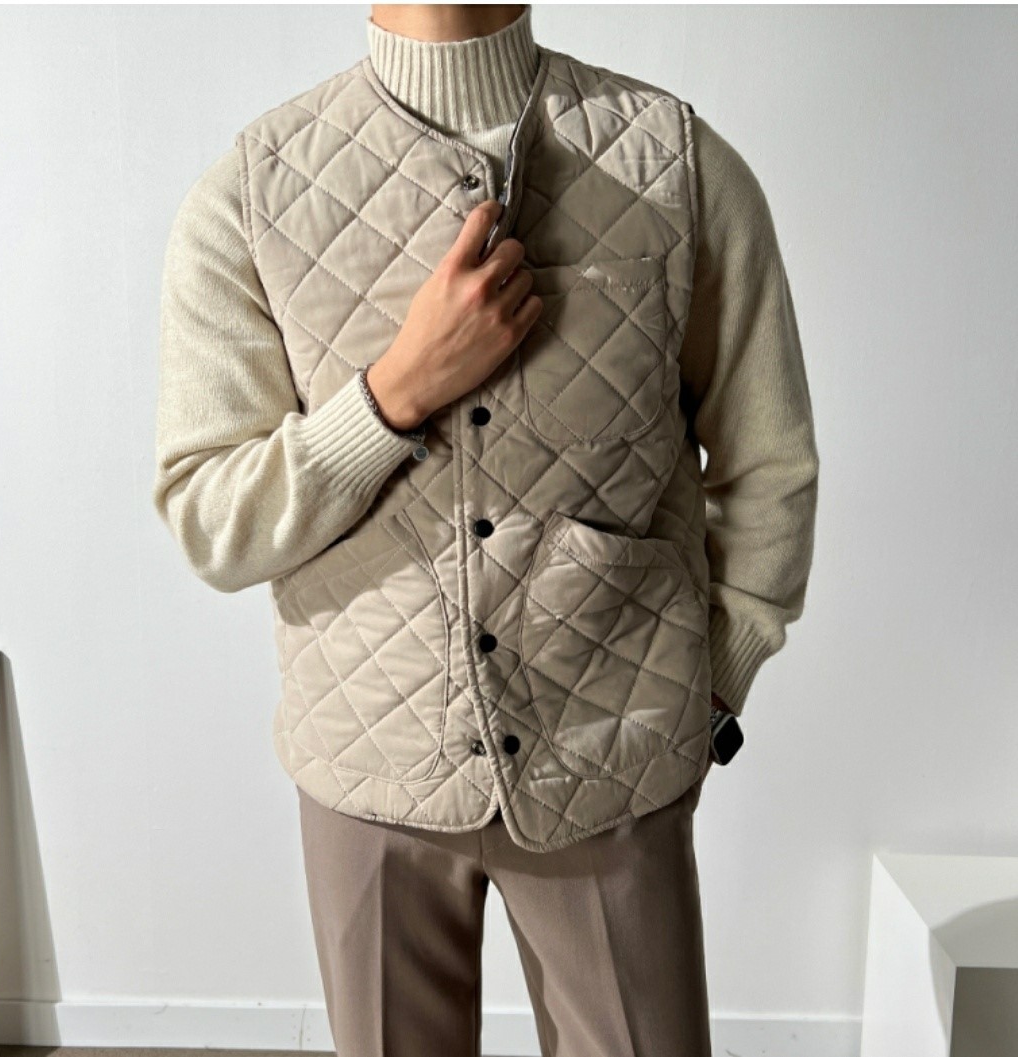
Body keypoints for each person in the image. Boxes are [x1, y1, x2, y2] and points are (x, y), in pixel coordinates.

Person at [152, 5, 819, 1055]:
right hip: (368, 764)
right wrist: (392, 394)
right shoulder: (253, 193)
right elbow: (210, 517)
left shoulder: (676, 164)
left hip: (613, 754)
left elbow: (767, 461)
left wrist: (714, 681)